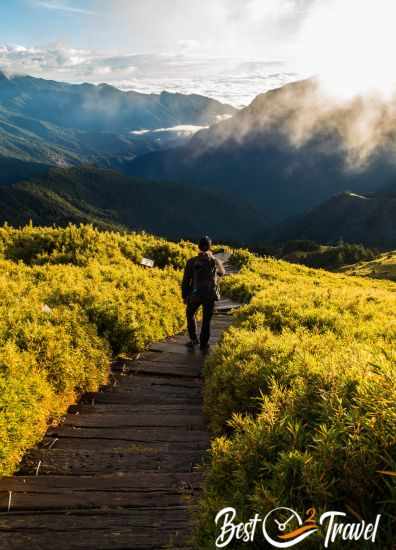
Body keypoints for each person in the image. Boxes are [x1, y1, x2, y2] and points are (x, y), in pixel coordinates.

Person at [182, 236, 225, 351]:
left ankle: (193, 339)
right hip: (210, 295)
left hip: (195, 294)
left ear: (199, 246)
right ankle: (204, 344)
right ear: (210, 247)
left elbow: (186, 281)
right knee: (206, 320)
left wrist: (185, 296)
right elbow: (222, 273)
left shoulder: (191, 261)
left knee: (190, 313)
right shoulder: (214, 261)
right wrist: (216, 260)